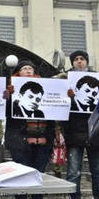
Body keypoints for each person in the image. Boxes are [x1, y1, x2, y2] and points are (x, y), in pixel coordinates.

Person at [4, 60, 55, 199]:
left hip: (42, 143)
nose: (28, 70)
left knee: (38, 179)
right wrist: (7, 98)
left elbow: (56, 110)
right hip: (20, 144)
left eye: (31, 68)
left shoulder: (46, 87)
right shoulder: (11, 89)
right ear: (18, 72)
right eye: (24, 68)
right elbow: (3, 112)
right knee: (21, 179)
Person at [59, 50, 99, 199]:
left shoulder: (96, 78)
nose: (79, 61)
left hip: (95, 133)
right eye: (76, 59)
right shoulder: (65, 80)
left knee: (97, 171)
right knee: (73, 172)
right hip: (74, 133)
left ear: (87, 61)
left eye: (82, 59)